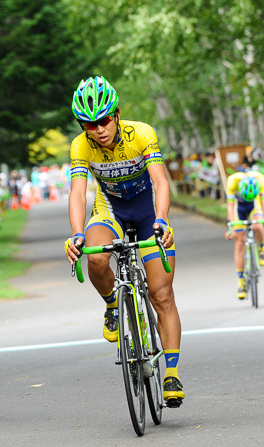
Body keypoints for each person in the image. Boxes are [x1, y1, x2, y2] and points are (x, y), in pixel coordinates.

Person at [64, 76, 184, 406]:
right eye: (89, 124)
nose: (99, 129)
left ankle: (171, 372)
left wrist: (161, 219)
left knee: (162, 294)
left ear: (116, 115)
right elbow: (77, 192)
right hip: (111, 211)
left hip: (148, 212)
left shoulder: (142, 134)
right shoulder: (81, 146)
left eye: (104, 120)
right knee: (97, 257)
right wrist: (76, 232)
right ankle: (112, 306)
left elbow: (160, 181)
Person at [224, 170, 264, 299]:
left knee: (258, 224)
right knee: (240, 241)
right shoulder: (232, 182)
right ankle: (241, 281)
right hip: (239, 208)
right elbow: (230, 207)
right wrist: (231, 228)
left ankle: (262, 248)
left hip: (254, 204)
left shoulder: (260, 180)